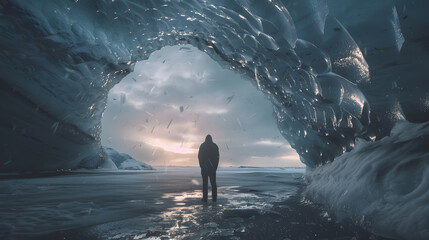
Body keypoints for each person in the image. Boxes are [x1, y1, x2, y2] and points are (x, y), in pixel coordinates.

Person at [198, 134, 219, 202]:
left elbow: (199, 156)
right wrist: (215, 167)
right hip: (211, 169)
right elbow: (217, 158)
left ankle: (205, 198)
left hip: (205, 168)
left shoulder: (203, 146)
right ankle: (214, 198)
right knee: (213, 184)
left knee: (205, 184)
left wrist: (202, 165)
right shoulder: (214, 146)